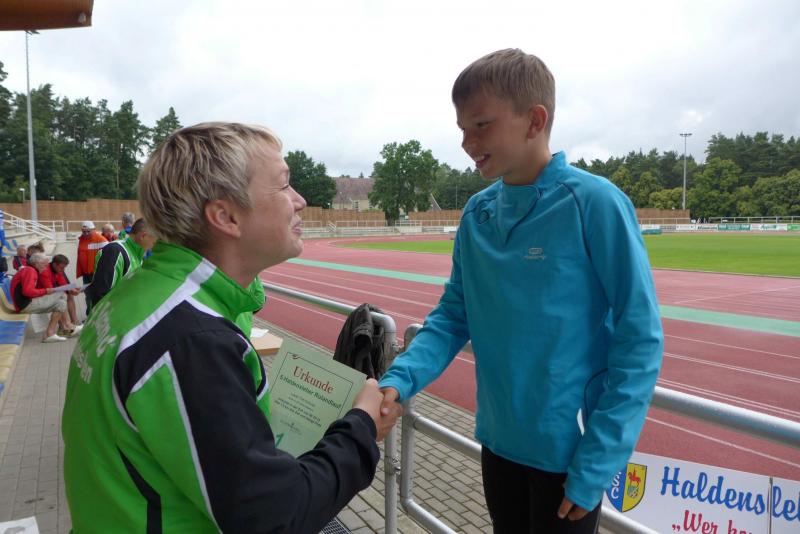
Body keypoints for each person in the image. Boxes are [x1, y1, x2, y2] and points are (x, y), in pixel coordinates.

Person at [62, 122, 402, 533]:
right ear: (226, 216)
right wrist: (362, 426)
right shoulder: (192, 339)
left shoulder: (138, 298)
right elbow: (273, 518)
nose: (300, 200)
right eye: (284, 185)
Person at [378, 49, 663, 533]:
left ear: (535, 121)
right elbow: (452, 317)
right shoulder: (477, 214)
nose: (467, 143)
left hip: (568, 456)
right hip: (498, 443)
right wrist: (399, 380)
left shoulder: (595, 204)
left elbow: (640, 340)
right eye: (462, 129)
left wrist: (598, 461)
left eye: (481, 125)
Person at [85, 217, 156, 311]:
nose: (155, 244)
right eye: (155, 240)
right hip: (111, 317)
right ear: (143, 236)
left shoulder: (137, 254)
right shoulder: (115, 251)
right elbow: (100, 294)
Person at [10, 253, 82, 342]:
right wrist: (46, 291)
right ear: (37, 263)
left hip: (26, 303)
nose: (45, 267)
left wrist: (72, 289)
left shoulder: (30, 270)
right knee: (61, 294)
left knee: (61, 303)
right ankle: (68, 326)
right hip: (24, 304)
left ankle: (50, 334)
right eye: (44, 265)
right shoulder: (30, 271)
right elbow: (27, 292)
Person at [37, 253, 81, 329]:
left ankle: (72, 322)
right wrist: (67, 290)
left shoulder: (57, 270)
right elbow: (50, 290)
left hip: (47, 292)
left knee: (68, 295)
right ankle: (65, 326)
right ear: (54, 264)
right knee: (60, 299)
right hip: (39, 296)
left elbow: (63, 283)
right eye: (61, 268)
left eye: (64, 268)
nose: (63, 270)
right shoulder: (45, 271)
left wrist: (72, 289)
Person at [75, 220, 107, 286]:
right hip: (86, 274)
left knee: (97, 290)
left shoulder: (101, 240)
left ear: (94, 230)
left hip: (97, 273)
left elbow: (108, 257)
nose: (86, 233)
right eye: (84, 232)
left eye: (88, 231)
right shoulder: (81, 239)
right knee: (87, 290)